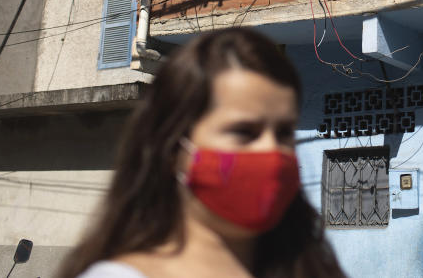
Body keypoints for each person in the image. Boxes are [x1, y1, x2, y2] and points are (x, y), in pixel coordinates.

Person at [59, 29, 346, 278]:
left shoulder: (311, 268)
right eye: (244, 132)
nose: (271, 150)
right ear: (174, 149)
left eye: (284, 133)